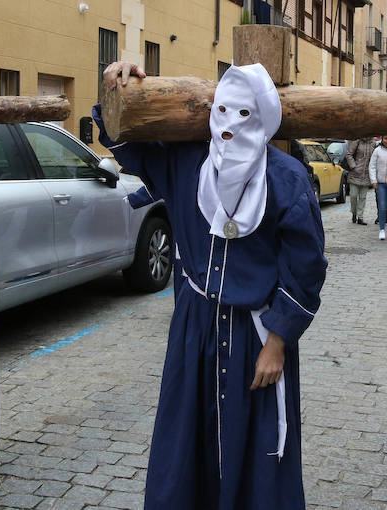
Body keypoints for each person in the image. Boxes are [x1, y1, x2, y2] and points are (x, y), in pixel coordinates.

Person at [95, 61, 327, 510]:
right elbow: (126, 142)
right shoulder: (185, 162)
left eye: (245, 115)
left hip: (255, 336)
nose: (229, 129)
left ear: (264, 117)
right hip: (195, 328)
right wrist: (115, 86)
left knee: (256, 447)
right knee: (187, 439)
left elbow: (306, 269)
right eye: (223, 112)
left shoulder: (287, 179)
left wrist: (278, 341)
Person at [344, 137, 375, 225]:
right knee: (353, 196)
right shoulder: (356, 141)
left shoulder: (372, 142)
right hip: (355, 174)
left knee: (363, 197)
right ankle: (354, 213)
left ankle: (360, 217)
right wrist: (354, 166)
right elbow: (348, 154)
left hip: (366, 174)